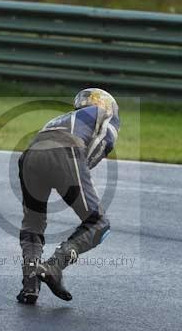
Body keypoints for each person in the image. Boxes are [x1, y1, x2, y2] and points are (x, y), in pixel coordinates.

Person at [17, 88, 120, 304]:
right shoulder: (106, 118)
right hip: (67, 153)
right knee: (99, 223)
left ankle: (30, 282)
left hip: (29, 158)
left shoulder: (58, 119)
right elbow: (93, 152)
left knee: (33, 223)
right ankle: (54, 266)